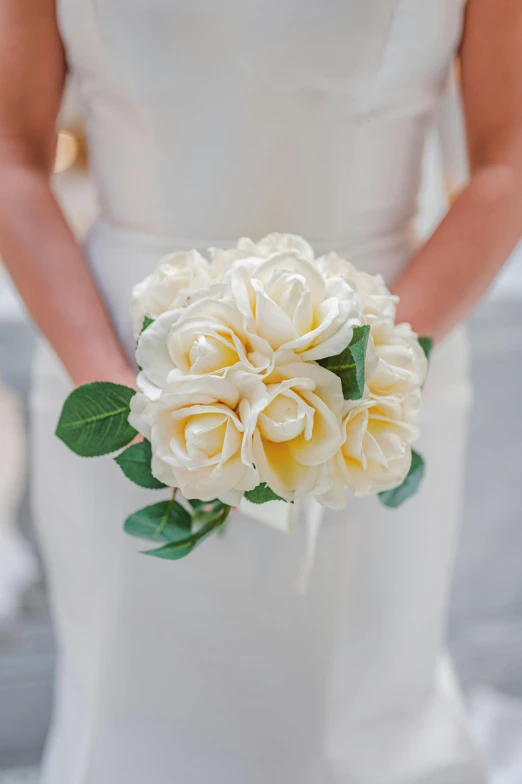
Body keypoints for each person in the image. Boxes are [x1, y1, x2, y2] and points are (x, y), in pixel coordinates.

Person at [0, 1, 521, 781]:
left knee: (361, 707)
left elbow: (506, 159)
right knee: (137, 704)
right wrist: (125, 396)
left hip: (387, 362)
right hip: (123, 352)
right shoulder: (120, 389)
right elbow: (10, 151)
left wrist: (359, 375)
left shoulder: (375, 373)